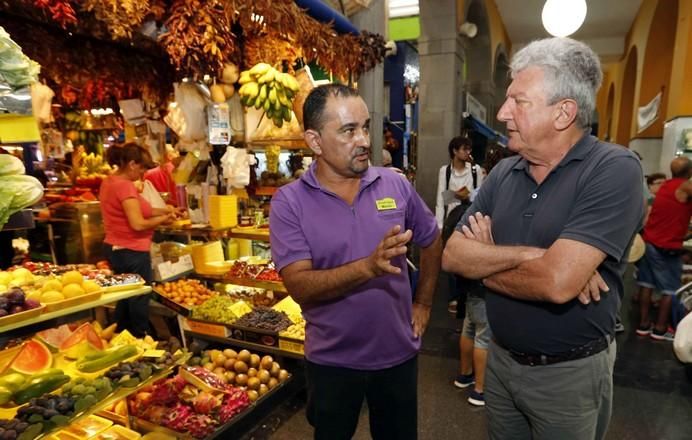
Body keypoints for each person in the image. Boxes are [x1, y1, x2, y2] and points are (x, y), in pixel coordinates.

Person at [442, 37, 644, 440]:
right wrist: (539, 257)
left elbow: (556, 284)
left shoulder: (614, 169)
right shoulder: (504, 172)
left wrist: (487, 258)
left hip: (568, 377)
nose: (502, 113)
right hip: (499, 362)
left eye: (519, 101)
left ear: (563, 113)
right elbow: (452, 255)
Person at [270, 84, 441, 440]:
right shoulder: (289, 204)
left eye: (366, 127)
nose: (364, 140)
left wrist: (423, 302)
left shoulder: (394, 186)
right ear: (315, 141)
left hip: (397, 356)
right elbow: (299, 285)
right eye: (349, 130)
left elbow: (432, 239)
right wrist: (368, 266)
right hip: (332, 361)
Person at [452, 141, 511, 406]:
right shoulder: (502, 198)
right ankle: (479, 388)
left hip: (469, 273)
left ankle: (464, 375)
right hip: (486, 275)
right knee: (484, 335)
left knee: (469, 327)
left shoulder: (480, 194)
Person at [100, 143, 177, 336]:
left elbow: (143, 209)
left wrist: (167, 210)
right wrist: (164, 219)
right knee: (138, 298)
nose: (143, 172)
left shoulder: (109, 181)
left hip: (116, 248)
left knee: (125, 298)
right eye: (142, 167)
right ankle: (140, 339)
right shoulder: (124, 186)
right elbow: (138, 223)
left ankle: (118, 338)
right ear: (132, 164)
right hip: (131, 251)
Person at [635, 157, 692, 341]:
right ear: (689, 172)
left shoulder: (666, 185)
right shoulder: (684, 187)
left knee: (646, 284)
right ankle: (660, 329)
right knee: (669, 289)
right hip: (666, 247)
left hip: (650, 242)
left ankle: (643, 325)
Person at [435, 136, 484, 314]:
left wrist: (468, 196)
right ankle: (454, 296)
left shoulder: (475, 170)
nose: (467, 152)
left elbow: (481, 195)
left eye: (469, 149)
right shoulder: (445, 171)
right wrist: (439, 225)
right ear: (455, 151)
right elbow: (441, 198)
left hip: (469, 217)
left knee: (469, 256)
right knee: (451, 257)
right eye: (464, 149)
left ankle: (465, 295)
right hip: (451, 218)